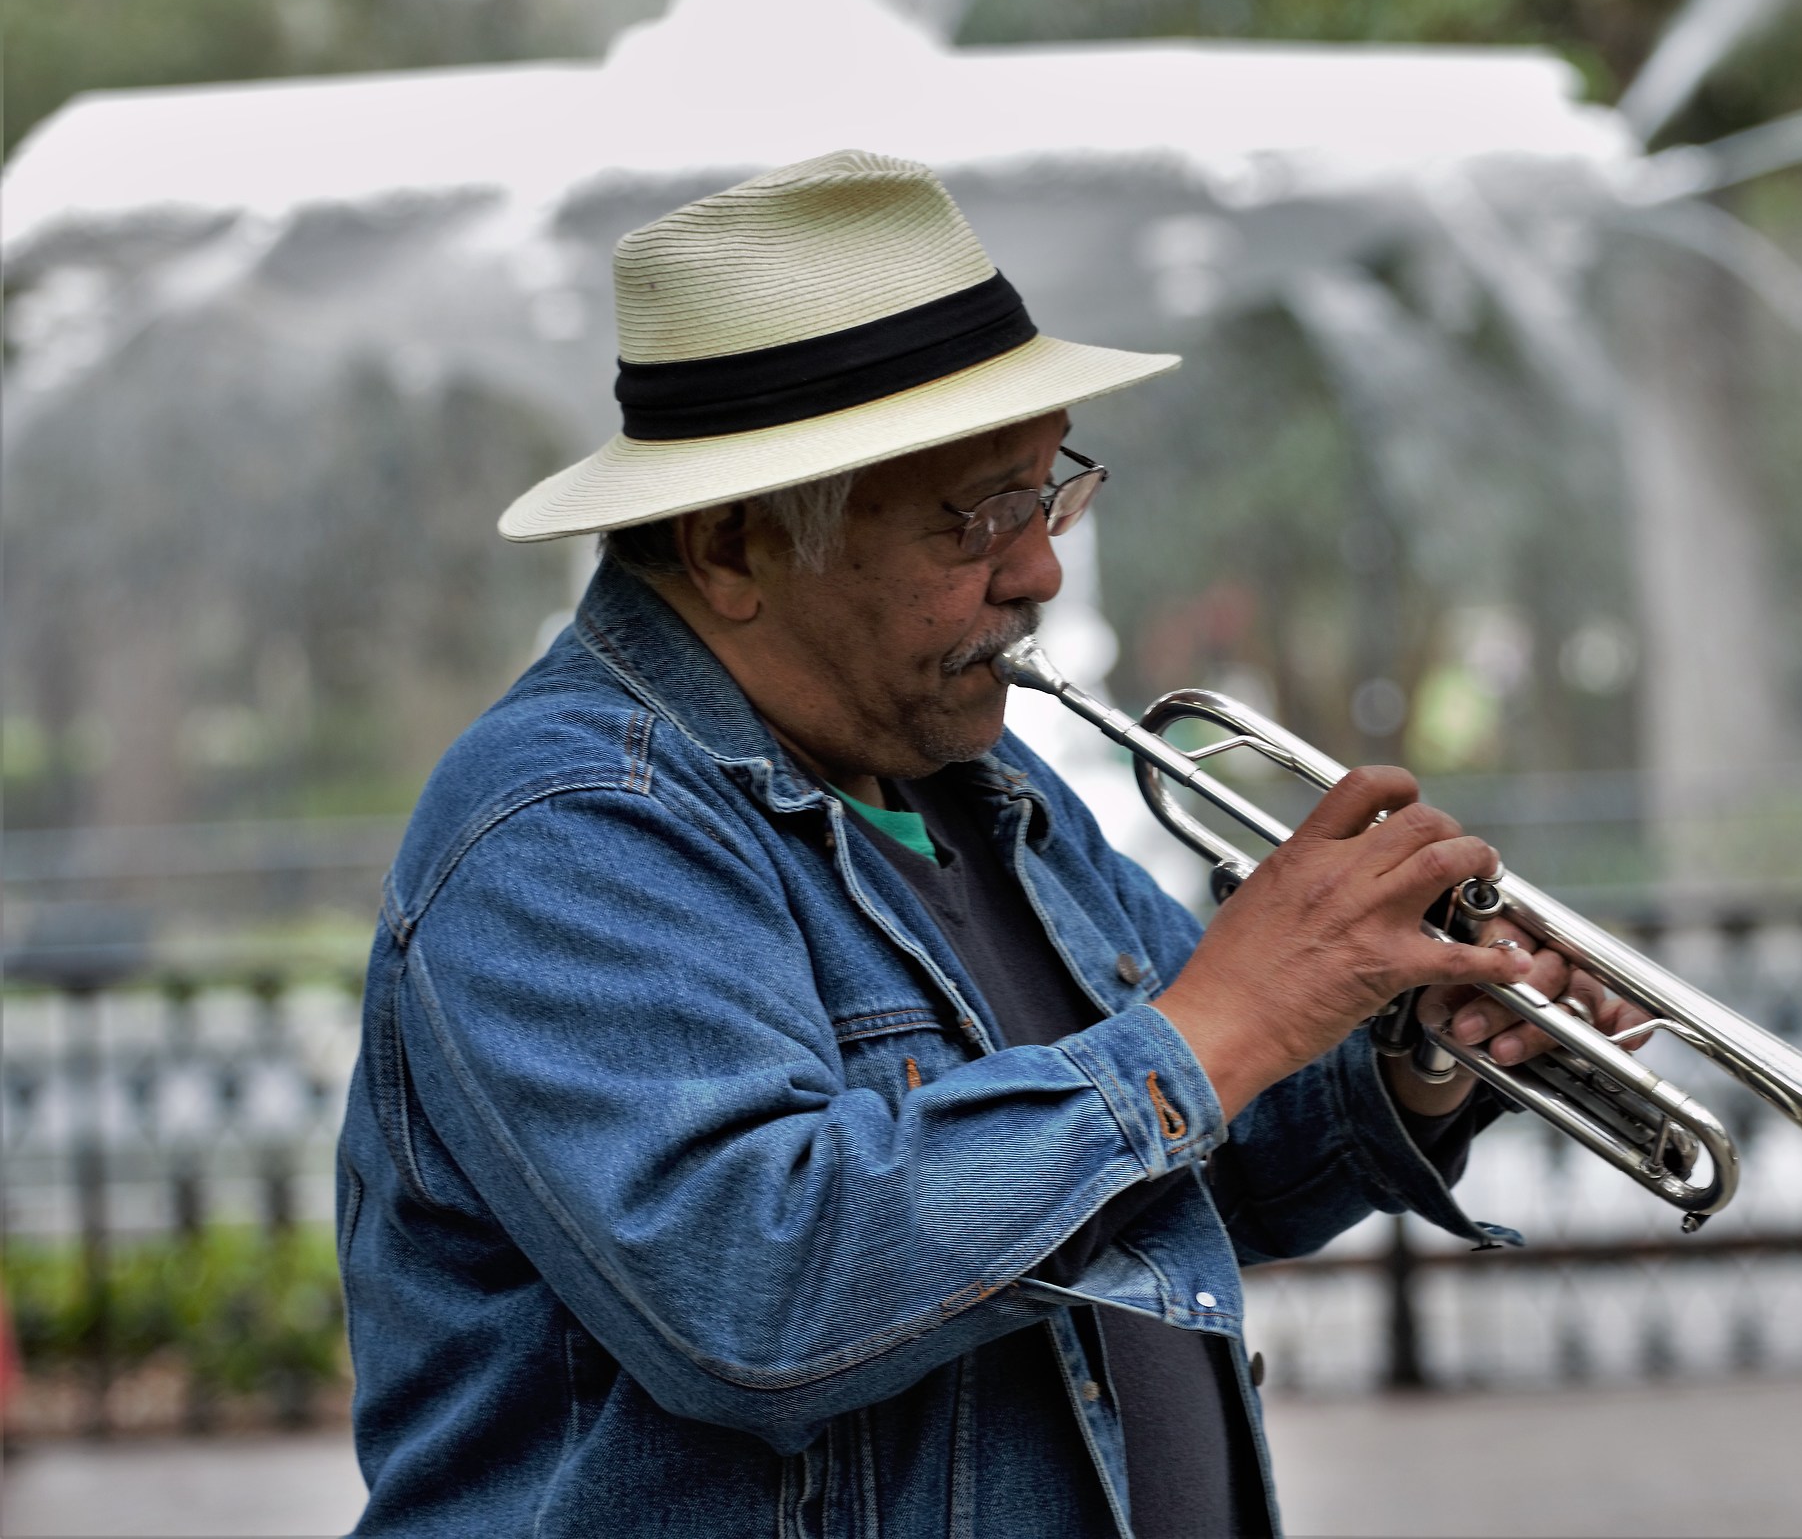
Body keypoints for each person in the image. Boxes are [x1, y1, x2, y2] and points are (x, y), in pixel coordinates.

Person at [336, 150, 1647, 1538]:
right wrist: (1220, 1022)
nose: (1040, 571)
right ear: (732, 546)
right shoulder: (569, 825)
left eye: (1049, 492)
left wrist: (1420, 1048)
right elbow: (755, 1296)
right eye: (980, 516)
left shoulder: (971, 774)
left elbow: (1210, 1166)